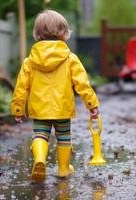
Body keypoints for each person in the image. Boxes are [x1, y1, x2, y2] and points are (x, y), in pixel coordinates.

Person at [10, 10, 99, 181]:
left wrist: (18, 108)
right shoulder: (70, 58)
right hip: (62, 108)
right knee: (64, 137)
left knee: (40, 135)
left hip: (40, 108)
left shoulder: (30, 61)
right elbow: (82, 83)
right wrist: (92, 104)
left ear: (37, 34)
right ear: (65, 34)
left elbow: (21, 87)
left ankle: (40, 160)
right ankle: (63, 169)